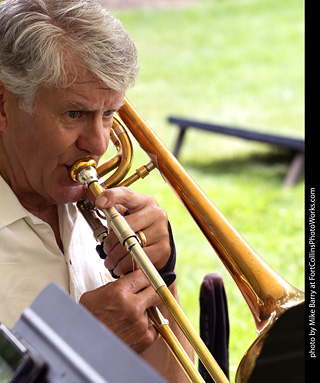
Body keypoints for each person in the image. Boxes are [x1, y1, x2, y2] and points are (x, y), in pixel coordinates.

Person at [0, 0, 193, 381]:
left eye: (109, 114)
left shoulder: (100, 215)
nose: (100, 144)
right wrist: (80, 344)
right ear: (4, 106)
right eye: (75, 114)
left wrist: (160, 278)